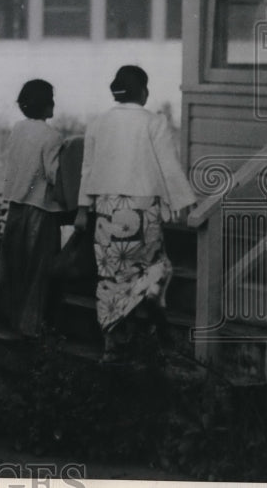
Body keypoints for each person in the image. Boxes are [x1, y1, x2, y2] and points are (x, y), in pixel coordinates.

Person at [75, 65, 196, 363]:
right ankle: (152, 316)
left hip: (106, 209)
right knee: (154, 266)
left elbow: (87, 169)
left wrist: (82, 209)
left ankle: (113, 345)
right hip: (142, 209)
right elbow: (167, 164)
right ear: (142, 90)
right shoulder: (154, 122)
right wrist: (183, 201)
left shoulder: (98, 123)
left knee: (111, 274)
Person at [0, 79, 66, 337]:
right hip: (41, 207)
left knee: (14, 265)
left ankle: (9, 318)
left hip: (16, 204)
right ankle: (32, 326)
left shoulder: (18, 129)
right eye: (52, 100)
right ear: (46, 103)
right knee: (38, 269)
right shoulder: (52, 136)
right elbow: (53, 174)